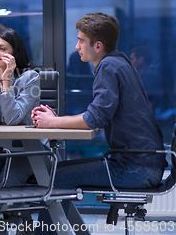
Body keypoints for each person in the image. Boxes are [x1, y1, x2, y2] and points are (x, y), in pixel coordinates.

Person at [31, 13, 166, 234]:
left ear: (98, 46)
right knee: (58, 172)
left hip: (138, 169)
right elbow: (97, 114)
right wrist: (56, 121)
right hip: (144, 163)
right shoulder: (121, 62)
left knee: (58, 177)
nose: (76, 46)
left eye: (81, 40)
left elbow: (95, 119)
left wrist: (53, 122)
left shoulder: (109, 67)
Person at [0, 27, 40, 187]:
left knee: (8, 179)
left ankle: (10, 213)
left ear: (15, 54)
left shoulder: (30, 78)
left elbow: (12, 119)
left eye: (2, 48)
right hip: (0, 146)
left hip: (27, 149)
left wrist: (5, 81)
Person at [129, 46, 162, 111]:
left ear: (140, 60)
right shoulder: (134, 76)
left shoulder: (151, 77)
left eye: (132, 59)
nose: (130, 62)